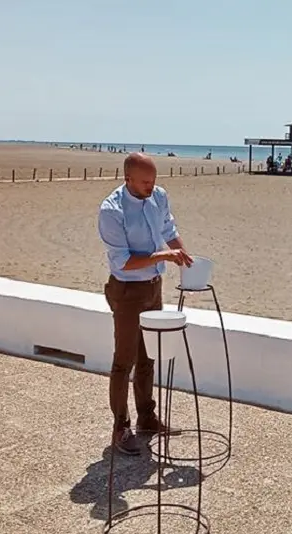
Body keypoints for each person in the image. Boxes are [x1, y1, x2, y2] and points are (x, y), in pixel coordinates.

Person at [98, 152, 194, 455]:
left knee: (149, 356)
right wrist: (164, 256)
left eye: (153, 181)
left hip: (153, 287)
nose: (151, 187)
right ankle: (120, 426)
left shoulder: (159, 196)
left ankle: (147, 417)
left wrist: (183, 256)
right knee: (123, 361)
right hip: (126, 291)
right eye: (144, 183)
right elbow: (123, 262)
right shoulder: (111, 211)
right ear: (128, 179)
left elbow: (168, 229)